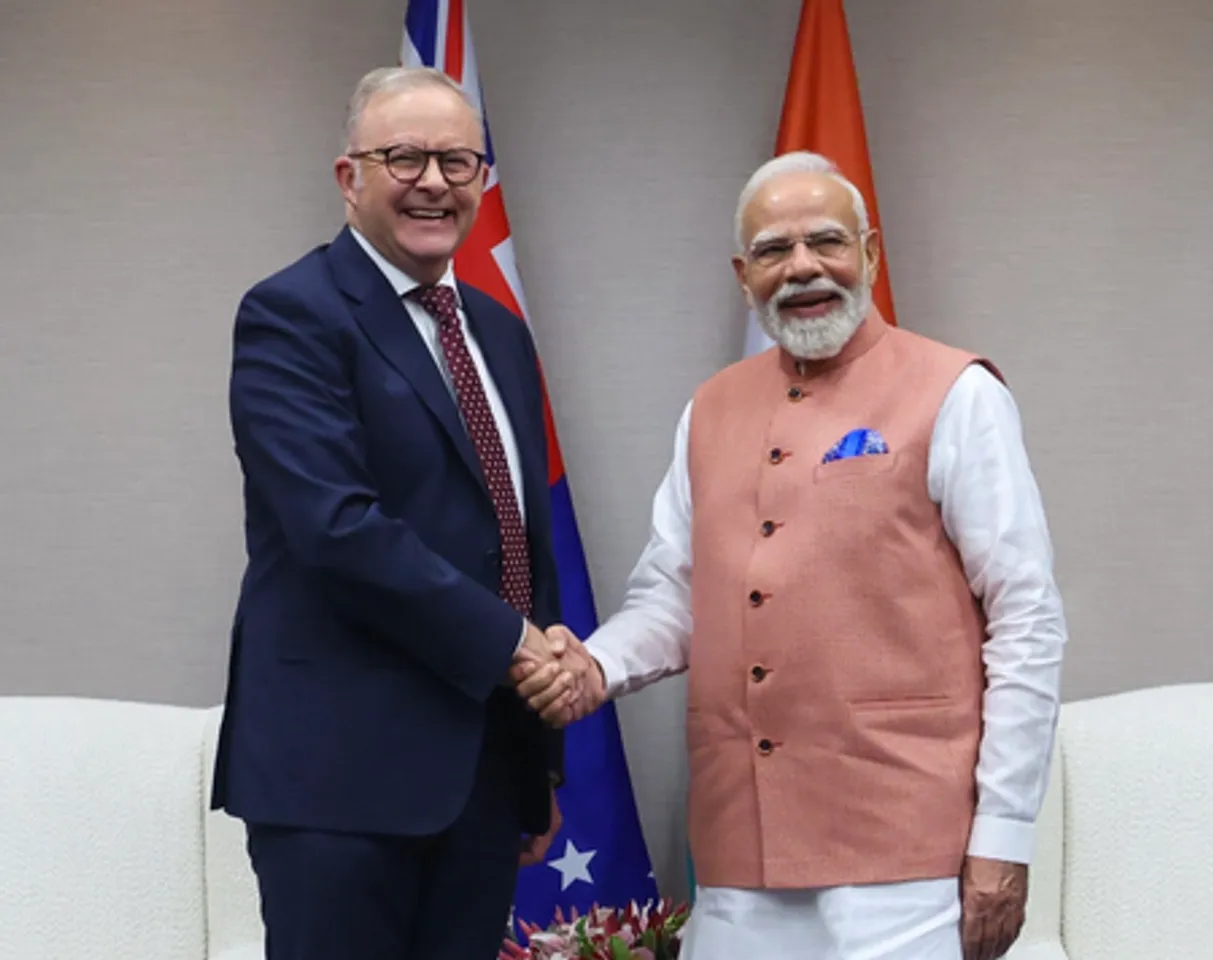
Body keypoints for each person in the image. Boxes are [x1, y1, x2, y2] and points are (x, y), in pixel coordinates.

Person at [515, 151, 1068, 960]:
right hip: (738, 856)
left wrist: (1004, 834)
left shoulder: (958, 393)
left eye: (826, 241)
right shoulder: (710, 409)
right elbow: (674, 596)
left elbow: (1027, 619)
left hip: (907, 856)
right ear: (744, 276)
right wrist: (594, 666)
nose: (802, 266)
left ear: (869, 254)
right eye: (773, 249)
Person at [211, 66, 581, 960]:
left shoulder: (498, 331)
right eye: (404, 157)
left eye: (457, 162)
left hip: (482, 774)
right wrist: (517, 647)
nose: (433, 183)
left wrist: (536, 755)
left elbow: (515, 538)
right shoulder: (291, 315)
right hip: (339, 780)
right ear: (350, 177)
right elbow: (336, 528)